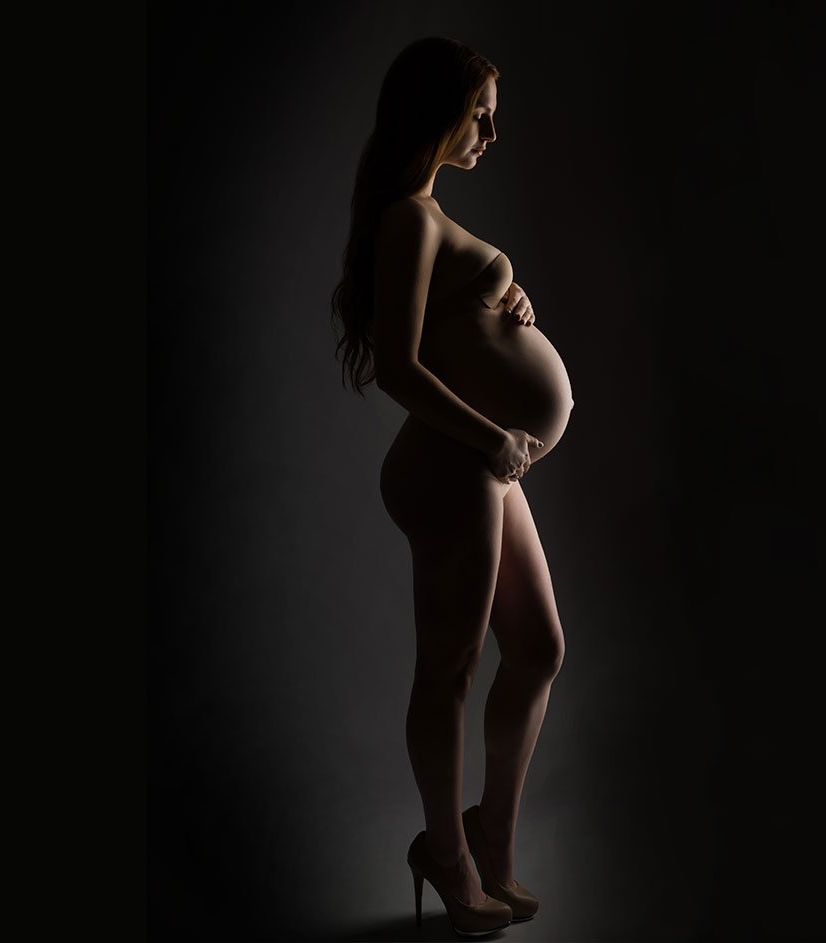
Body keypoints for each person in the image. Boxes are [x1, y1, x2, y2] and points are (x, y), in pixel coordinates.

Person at [331, 36, 574, 936]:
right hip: (456, 459)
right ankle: (448, 852)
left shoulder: (430, 217)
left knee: (539, 646)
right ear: (436, 115)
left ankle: (490, 838)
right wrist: (494, 435)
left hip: (481, 457)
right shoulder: (407, 219)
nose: (491, 130)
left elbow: (444, 331)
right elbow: (398, 366)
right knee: (453, 670)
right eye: (478, 113)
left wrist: (506, 304)